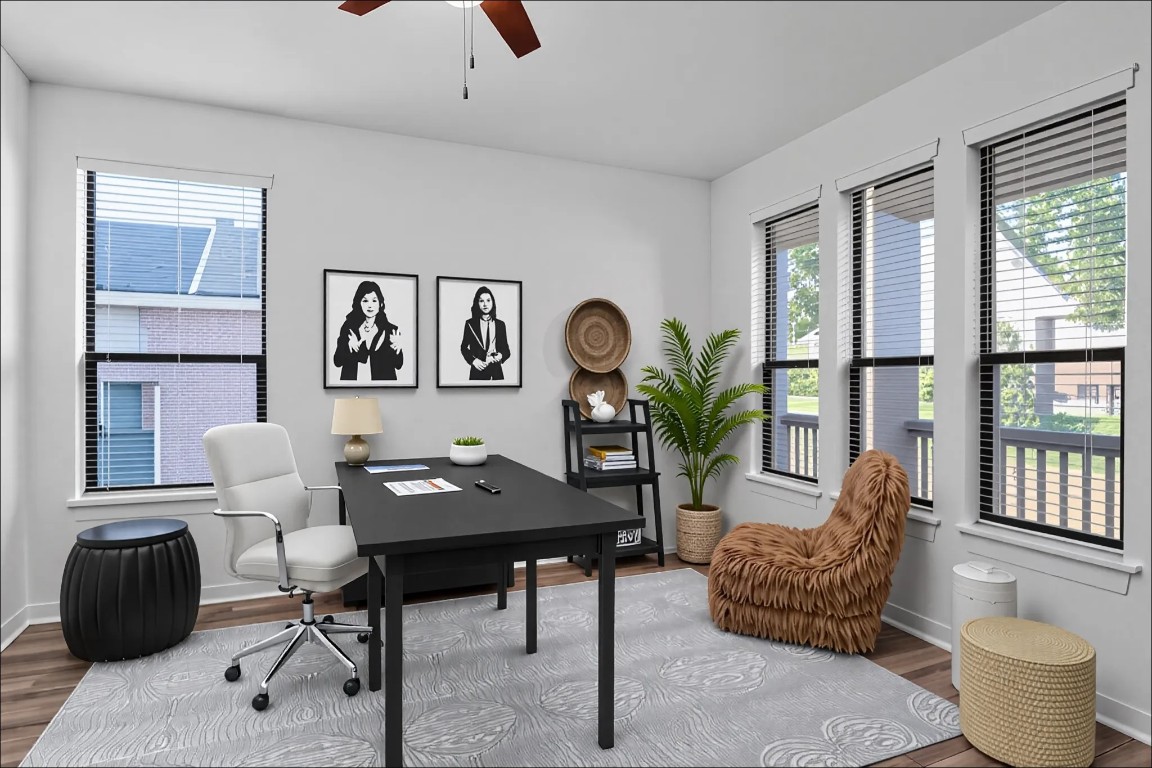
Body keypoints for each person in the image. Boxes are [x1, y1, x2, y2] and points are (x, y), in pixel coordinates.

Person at [333, 280, 404, 381]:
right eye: (365, 301)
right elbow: (337, 361)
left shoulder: (392, 330)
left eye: (374, 301)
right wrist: (347, 347)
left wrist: (398, 349)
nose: (370, 305)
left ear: (380, 303)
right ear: (359, 303)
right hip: (352, 388)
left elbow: (398, 365)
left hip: (384, 389)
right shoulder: (349, 328)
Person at [459, 285, 511, 381]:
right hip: (477, 372)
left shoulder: (500, 325)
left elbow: (506, 351)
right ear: (477, 303)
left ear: (492, 302)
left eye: (488, 300)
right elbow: (463, 348)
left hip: (496, 373)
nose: (485, 304)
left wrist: (500, 355)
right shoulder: (470, 324)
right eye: (481, 301)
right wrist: (474, 361)